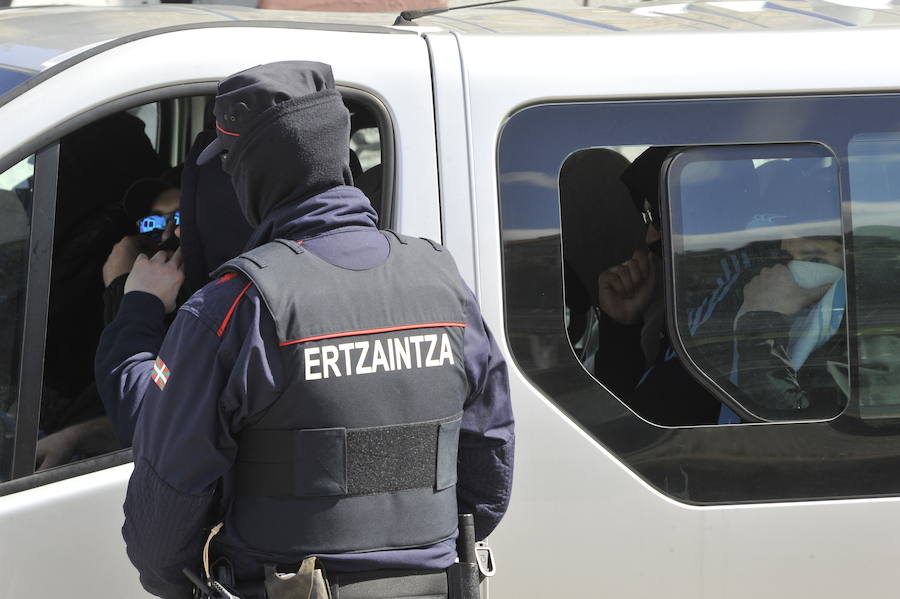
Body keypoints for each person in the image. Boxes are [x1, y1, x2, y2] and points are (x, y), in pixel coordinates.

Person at [95, 61, 514, 599]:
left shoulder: (234, 308)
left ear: (253, 173)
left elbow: (162, 523)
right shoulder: (442, 284)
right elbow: (489, 469)